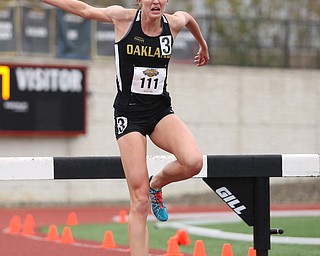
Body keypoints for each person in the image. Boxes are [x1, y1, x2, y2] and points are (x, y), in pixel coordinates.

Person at [42, 0, 209, 255]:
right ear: (140, 1)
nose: (156, 1)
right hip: (129, 114)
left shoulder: (172, 23)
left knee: (193, 161)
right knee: (139, 200)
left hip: (160, 110)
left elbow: (188, 18)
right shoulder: (122, 18)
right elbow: (85, 10)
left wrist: (203, 45)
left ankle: (158, 184)